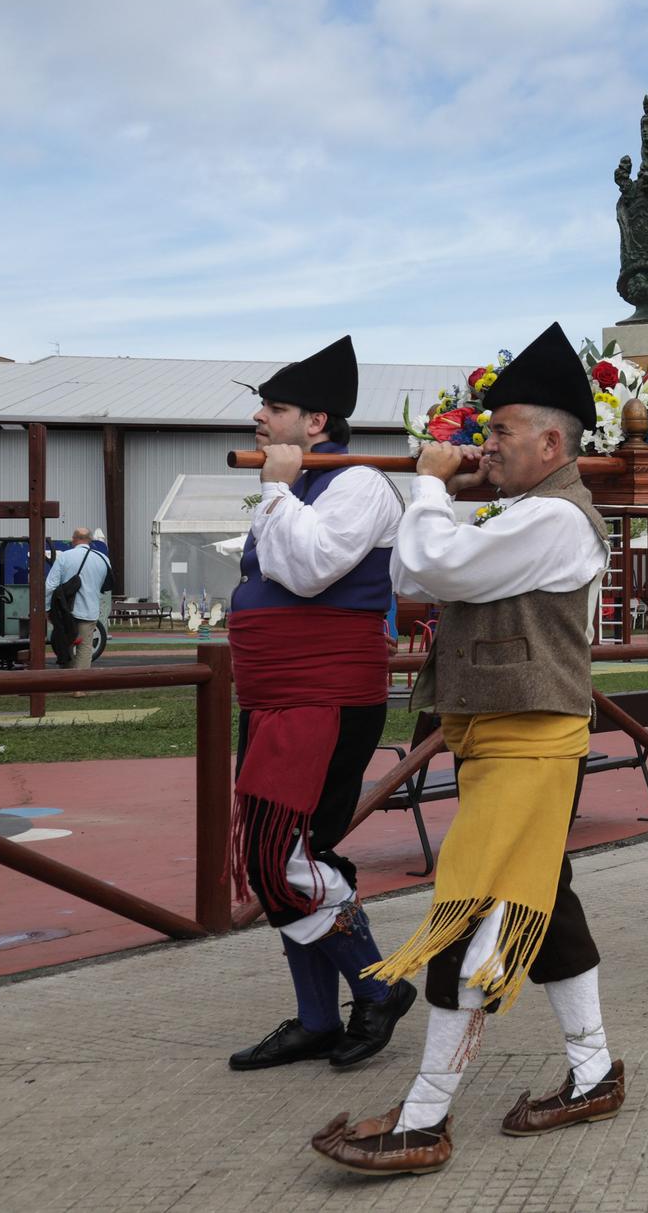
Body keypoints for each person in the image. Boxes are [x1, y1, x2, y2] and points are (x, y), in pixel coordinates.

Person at [313, 323, 620, 1176]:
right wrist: (443, 494)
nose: (486, 444)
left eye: (501, 432)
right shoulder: (519, 510)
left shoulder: (558, 517)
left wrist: (428, 482)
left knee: (472, 918)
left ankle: (423, 1118)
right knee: (542, 905)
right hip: (497, 736)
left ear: (551, 442)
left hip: (530, 741)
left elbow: (438, 566)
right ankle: (593, 1071)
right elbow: (415, 574)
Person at [224, 337, 415, 1077]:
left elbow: (305, 574)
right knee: (279, 857)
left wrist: (274, 488)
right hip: (277, 693)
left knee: (285, 857)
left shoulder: (359, 482)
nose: (258, 418)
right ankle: (315, 1020)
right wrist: (281, 487)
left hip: (326, 695)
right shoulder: (304, 481)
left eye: (273, 407)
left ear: (317, 420)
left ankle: (378, 987)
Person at [44, 529, 111, 684]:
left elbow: (50, 585)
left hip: (64, 610)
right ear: (90, 540)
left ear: (74, 539)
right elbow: (106, 585)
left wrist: (47, 608)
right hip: (90, 609)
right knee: (85, 647)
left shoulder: (64, 557)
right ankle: (79, 686)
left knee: (63, 643)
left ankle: (67, 680)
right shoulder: (103, 558)